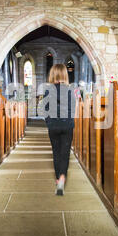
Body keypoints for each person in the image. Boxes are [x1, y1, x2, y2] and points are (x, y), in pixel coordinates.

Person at [43, 64, 76, 196]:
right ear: (64, 75)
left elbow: (45, 110)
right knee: (65, 153)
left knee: (56, 152)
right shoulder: (69, 90)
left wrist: (49, 123)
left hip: (54, 126)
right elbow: (72, 109)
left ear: (52, 75)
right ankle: (62, 177)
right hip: (67, 125)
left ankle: (58, 179)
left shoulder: (47, 90)